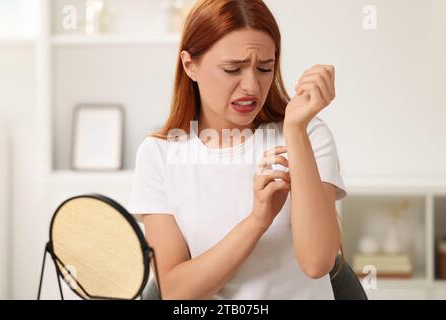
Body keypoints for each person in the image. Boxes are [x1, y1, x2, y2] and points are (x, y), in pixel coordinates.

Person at [128, 0, 347, 300]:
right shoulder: (159, 154)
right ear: (190, 65)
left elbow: (318, 262)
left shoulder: (308, 133)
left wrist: (294, 131)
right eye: (233, 69)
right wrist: (258, 219)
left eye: (264, 68)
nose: (252, 86)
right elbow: (175, 291)